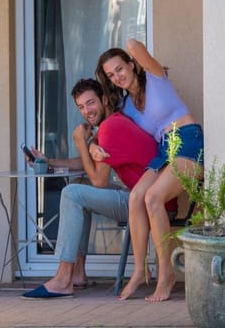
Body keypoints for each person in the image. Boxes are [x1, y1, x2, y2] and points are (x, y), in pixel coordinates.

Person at [21, 78, 158, 299]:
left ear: (104, 99)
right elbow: (87, 165)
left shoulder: (110, 128)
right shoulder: (109, 124)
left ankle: (63, 278)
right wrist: (50, 161)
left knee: (72, 193)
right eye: (81, 107)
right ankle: (77, 273)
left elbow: (99, 181)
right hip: (136, 196)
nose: (86, 111)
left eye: (91, 103)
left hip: (145, 203)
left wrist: (80, 142)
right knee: (77, 186)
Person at [94, 39, 204, 302]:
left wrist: (128, 51)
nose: (117, 77)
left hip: (187, 139)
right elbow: (100, 130)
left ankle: (165, 274)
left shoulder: (156, 77)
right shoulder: (125, 107)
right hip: (163, 150)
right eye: (110, 75)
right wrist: (93, 148)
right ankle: (139, 271)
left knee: (152, 197)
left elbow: (133, 45)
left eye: (119, 69)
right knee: (136, 198)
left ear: (132, 65)